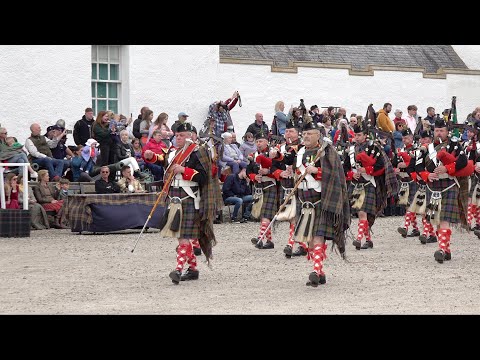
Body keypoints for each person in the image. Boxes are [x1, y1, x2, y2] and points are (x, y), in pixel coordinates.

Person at [285, 120, 350, 286]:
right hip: (303, 199)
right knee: (309, 240)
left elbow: (336, 175)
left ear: (318, 136)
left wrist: (317, 171)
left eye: (309, 134)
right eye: (304, 134)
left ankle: (315, 270)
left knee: (318, 236)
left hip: (321, 199)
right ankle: (320, 273)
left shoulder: (327, 152)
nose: (306, 136)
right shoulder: (299, 152)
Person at [159, 122, 221, 284]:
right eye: (177, 135)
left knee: (183, 236)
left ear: (190, 136)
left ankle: (178, 270)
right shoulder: (173, 154)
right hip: (175, 198)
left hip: (189, 198)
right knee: (180, 236)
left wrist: (184, 170)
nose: (178, 138)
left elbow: (203, 177)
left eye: (182, 135)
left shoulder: (197, 152)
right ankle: (193, 269)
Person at [418, 118, 473, 262]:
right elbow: (416, 167)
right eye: (437, 130)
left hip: (449, 184)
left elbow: (463, 162)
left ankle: (441, 249)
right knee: (436, 219)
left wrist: (447, 168)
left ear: (447, 131)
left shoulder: (454, 145)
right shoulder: (427, 148)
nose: (439, 133)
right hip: (433, 185)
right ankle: (446, 250)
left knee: (444, 219)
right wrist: (426, 175)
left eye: (442, 130)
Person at [344, 124, 397, 250]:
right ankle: (368, 240)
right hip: (356, 184)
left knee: (362, 213)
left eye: (359, 135)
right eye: (355, 135)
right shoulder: (351, 150)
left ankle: (358, 238)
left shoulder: (374, 147)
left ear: (365, 135)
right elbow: (345, 167)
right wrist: (351, 174)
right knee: (361, 213)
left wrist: (367, 169)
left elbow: (381, 166)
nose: (357, 138)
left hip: (369, 183)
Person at [270, 118, 309, 258]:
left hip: (301, 185)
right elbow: (273, 167)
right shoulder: (280, 148)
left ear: (298, 133)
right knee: (293, 216)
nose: (288, 134)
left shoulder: (304, 147)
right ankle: (302, 245)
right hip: (285, 186)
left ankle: (290, 244)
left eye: (291, 131)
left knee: (296, 216)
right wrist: (281, 173)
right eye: (286, 131)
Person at [246, 130, 279, 249]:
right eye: (257, 141)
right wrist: (254, 176)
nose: (258, 143)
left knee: (266, 213)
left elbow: (280, 168)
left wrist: (268, 172)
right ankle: (269, 241)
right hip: (259, 187)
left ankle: (260, 238)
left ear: (267, 141)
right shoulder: (253, 155)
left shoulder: (273, 153)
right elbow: (248, 171)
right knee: (262, 214)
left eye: (261, 141)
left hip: (270, 185)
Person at [394, 128, 420, 238]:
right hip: (403, 179)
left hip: (412, 179)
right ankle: (415, 229)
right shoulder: (400, 149)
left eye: (407, 138)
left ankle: (405, 227)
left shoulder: (417, 149)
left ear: (412, 137)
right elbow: (395, 162)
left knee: (411, 203)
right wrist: (396, 168)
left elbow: (418, 163)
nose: (405, 140)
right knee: (407, 204)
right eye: (403, 138)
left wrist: (407, 165)